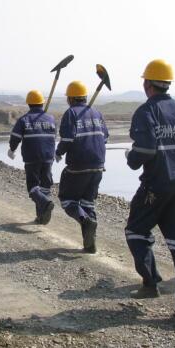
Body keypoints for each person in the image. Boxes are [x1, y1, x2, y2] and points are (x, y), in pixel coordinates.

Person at [124, 59, 175, 320]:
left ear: (147, 84)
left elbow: (144, 150)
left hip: (156, 185)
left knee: (136, 231)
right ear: (167, 83)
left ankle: (150, 283)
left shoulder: (147, 111)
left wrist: (131, 158)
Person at [55, 80, 108, 253]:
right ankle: (90, 244)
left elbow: (67, 139)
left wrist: (59, 152)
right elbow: (105, 138)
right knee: (87, 203)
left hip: (78, 165)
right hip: (98, 165)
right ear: (84, 97)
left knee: (68, 200)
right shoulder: (97, 113)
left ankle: (85, 220)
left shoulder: (71, 113)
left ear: (70, 98)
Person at [8, 89, 56, 224]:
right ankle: (41, 216)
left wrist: (12, 150)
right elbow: (53, 137)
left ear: (28, 104)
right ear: (42, 103)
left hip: (32, 158)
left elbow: (15, 137)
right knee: (45, 187)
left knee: (33, 188)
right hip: (48, 157)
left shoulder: (24, 120)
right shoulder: (51, 119)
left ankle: (45, 203)